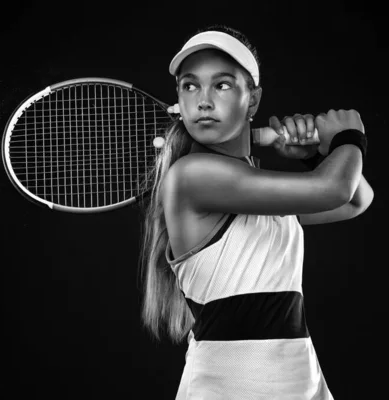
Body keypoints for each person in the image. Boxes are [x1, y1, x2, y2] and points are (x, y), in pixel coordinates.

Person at [138, 24, 373, 399]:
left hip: (300, 383)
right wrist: (350, 136)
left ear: (253, 100)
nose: (203, 100)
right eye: (190, 85)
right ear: (178, 100)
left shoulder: (255, 190)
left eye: (223, 84)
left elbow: (355, 201)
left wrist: (313, 155)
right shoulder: (193, 176)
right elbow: (334, 188)